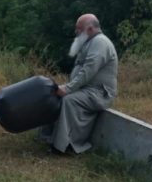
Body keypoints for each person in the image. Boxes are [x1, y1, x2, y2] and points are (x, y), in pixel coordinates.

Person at [40, 13, 118, 154]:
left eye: (79, 28)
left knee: (68, 100)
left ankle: (63, 147)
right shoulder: (90, 42)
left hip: (98, 93)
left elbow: (89, 70)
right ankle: (48, 137)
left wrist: (68, 88)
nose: (76, 31)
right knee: (52, 95)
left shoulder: (100, 42)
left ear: (89, 29)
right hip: (87, 89)